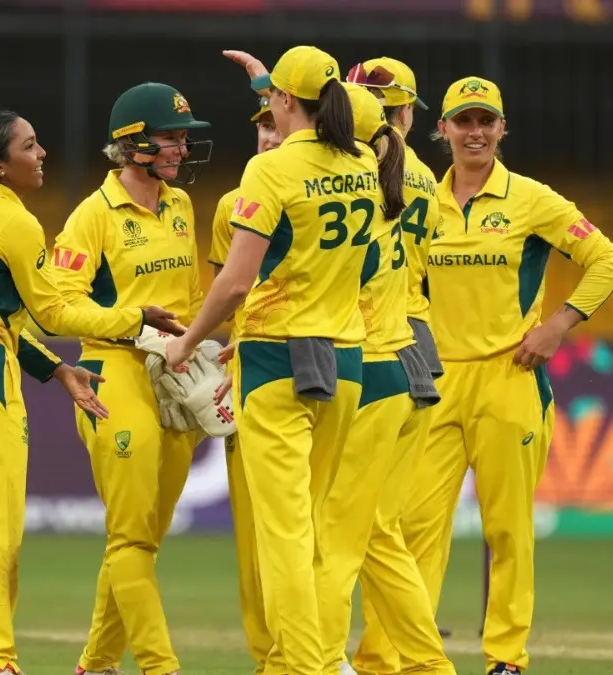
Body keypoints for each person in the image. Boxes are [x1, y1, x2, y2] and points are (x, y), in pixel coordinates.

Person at [0, 109, 186, 675]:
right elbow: (52, 310)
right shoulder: (16, 222)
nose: (43, 153)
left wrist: (56, 369)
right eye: (29, 146)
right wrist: (135, 320)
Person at [396, 76, 613, 675]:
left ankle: (506, 659)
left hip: (510, 378)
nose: (475, 132)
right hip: (436, 382)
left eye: (485, 122)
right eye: (463, 122)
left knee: (507, 530)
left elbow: (607, 260)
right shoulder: (421, 202)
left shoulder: (532, 200)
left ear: (502, 129)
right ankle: (410, 656)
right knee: (415, 528)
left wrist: (556, 327)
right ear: (441, 129)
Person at [166, 45, 375, 675]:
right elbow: (309, 110)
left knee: (281, 536)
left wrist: (185, 341)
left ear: (284, 102)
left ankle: (306, 667)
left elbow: (233, 284)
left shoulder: (271, 172)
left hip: (276, 358)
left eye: (272, 99)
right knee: (314, 526)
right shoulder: (362, 160)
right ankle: (319, 660)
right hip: (346, 361)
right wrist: (267, 80)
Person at [51, 81, 212, 675]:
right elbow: (57, 308)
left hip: (174, 372)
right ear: (134, 144)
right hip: (112, 368)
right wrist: (134, 320)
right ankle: (158, 666)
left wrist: (199, 351)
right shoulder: (90, 217)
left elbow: (191, 298)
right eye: (170, 138)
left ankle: (94, 665)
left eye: (181, 138)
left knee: (139, 541)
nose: (180, 148)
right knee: (133, 539)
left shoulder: (179, 205)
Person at [310, 81, 456, 675]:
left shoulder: (346, 186)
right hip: (409, 354)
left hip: (363, 365)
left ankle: (317, 663)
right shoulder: (413, 175)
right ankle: (427, 665)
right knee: (379, 534)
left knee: (333, 541)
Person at [205, 85, 282, 675]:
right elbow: (224, 295)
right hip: (252, 372)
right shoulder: (232, 204)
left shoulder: (323, 187)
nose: (268, 137)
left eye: (278, 126)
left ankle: (318, 652)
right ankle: (270, 659)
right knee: (256, 534)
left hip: (318, 364)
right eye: (261, 128)